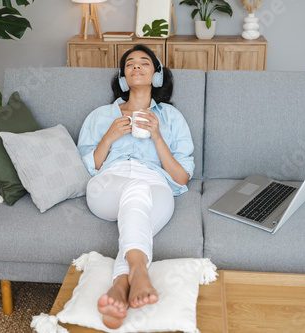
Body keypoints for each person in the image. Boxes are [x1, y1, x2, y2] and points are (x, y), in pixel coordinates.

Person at [77, 44, 195, 329]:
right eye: (130, 64)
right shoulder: (100, 116)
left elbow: (181, 178)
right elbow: (86, 166)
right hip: (108, 184)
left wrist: (157, 137)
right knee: (136, 189)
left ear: (157, 75)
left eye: (145, 62)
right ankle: (140, 271)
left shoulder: (170, 117)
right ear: (122, 78)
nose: (137, 66)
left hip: (156, 186)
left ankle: (119, 285)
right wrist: (108, 137)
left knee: (139, 192)